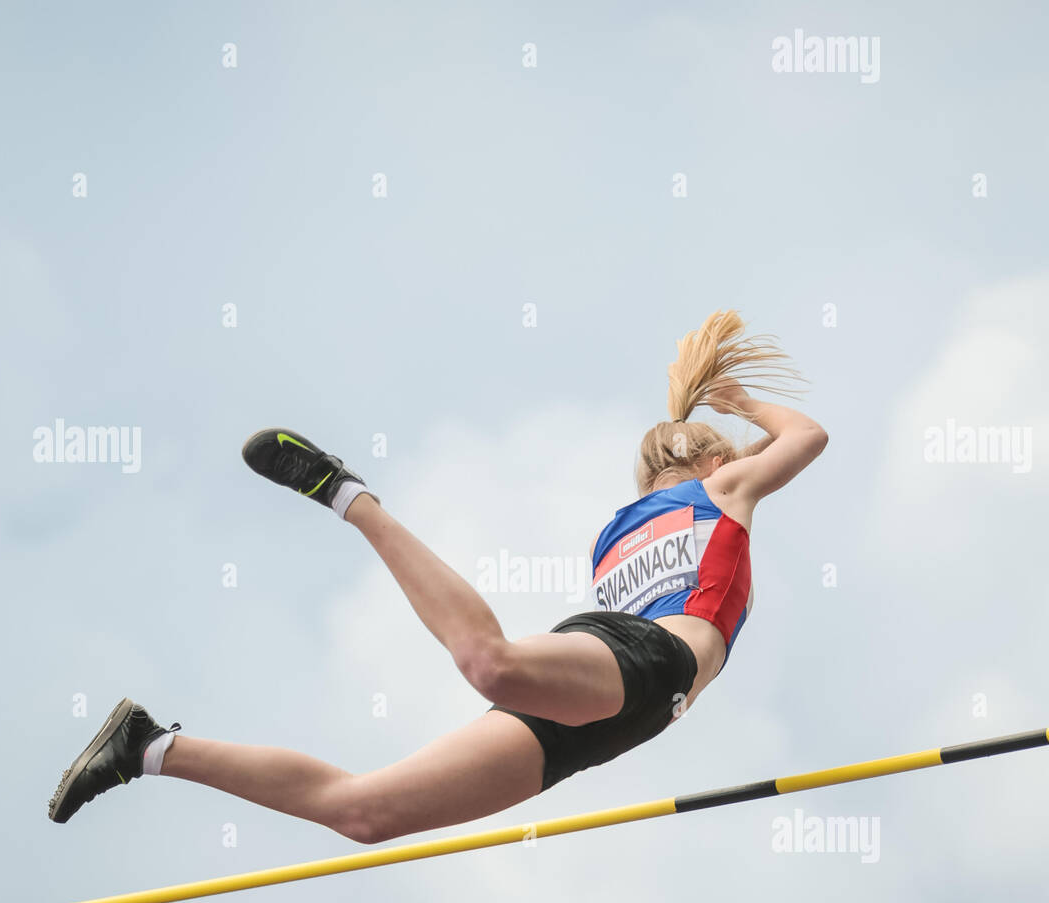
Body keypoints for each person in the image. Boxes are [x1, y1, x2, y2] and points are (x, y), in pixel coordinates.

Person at [47, 310, 827, 844]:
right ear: (720, 461)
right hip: (645, 667)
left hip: (609, 696)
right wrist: (743, 400)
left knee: (364, 813)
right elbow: (808, 434)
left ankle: (148, 746)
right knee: (489, 663)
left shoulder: (612, 534)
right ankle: (351, 497)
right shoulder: (725, 487)